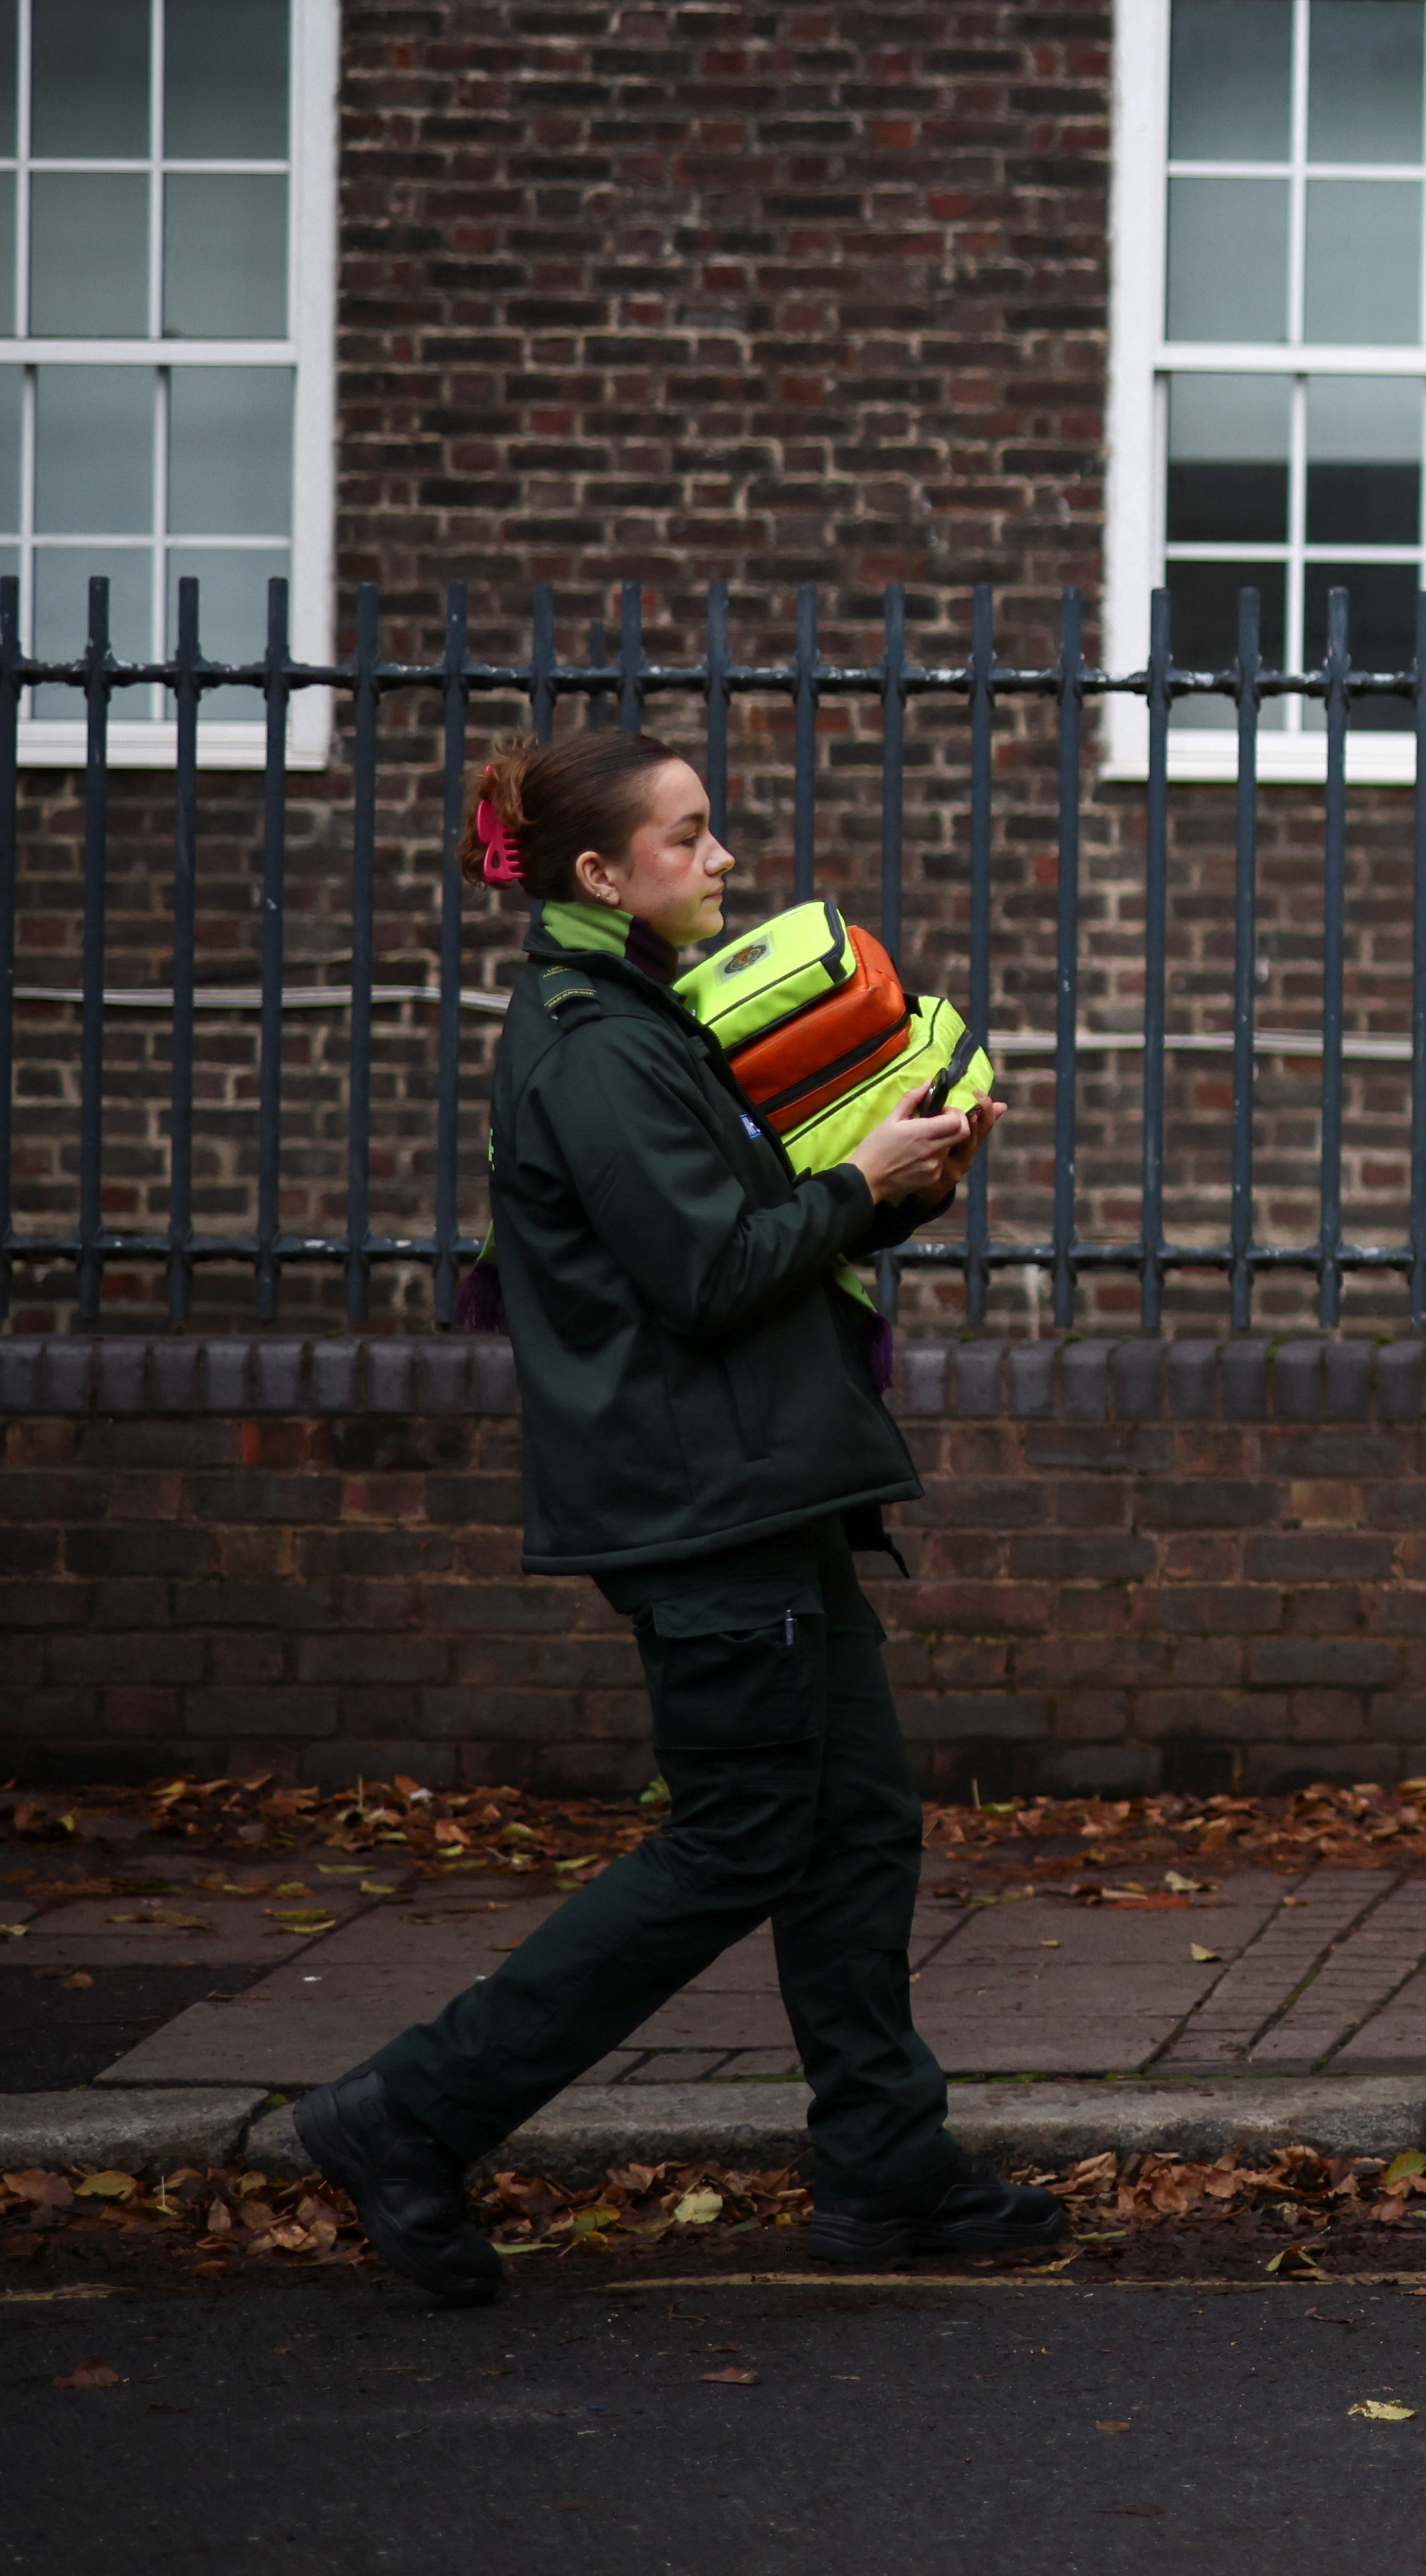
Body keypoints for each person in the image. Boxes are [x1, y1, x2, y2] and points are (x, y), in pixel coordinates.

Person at [291, 724, 1066, 2304]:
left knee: (856, 1824)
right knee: (737, 1840)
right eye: (689, 834)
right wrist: (856, 1183)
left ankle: (884, 2163)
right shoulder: (592, 1046)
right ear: (601, 871)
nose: (721, 858)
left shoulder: (650, 1018)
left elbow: (755, 1233)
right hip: (703, 1504)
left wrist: (901, 1181)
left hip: (764, 1487)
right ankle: (409, 2111)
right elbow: (707, 1273)